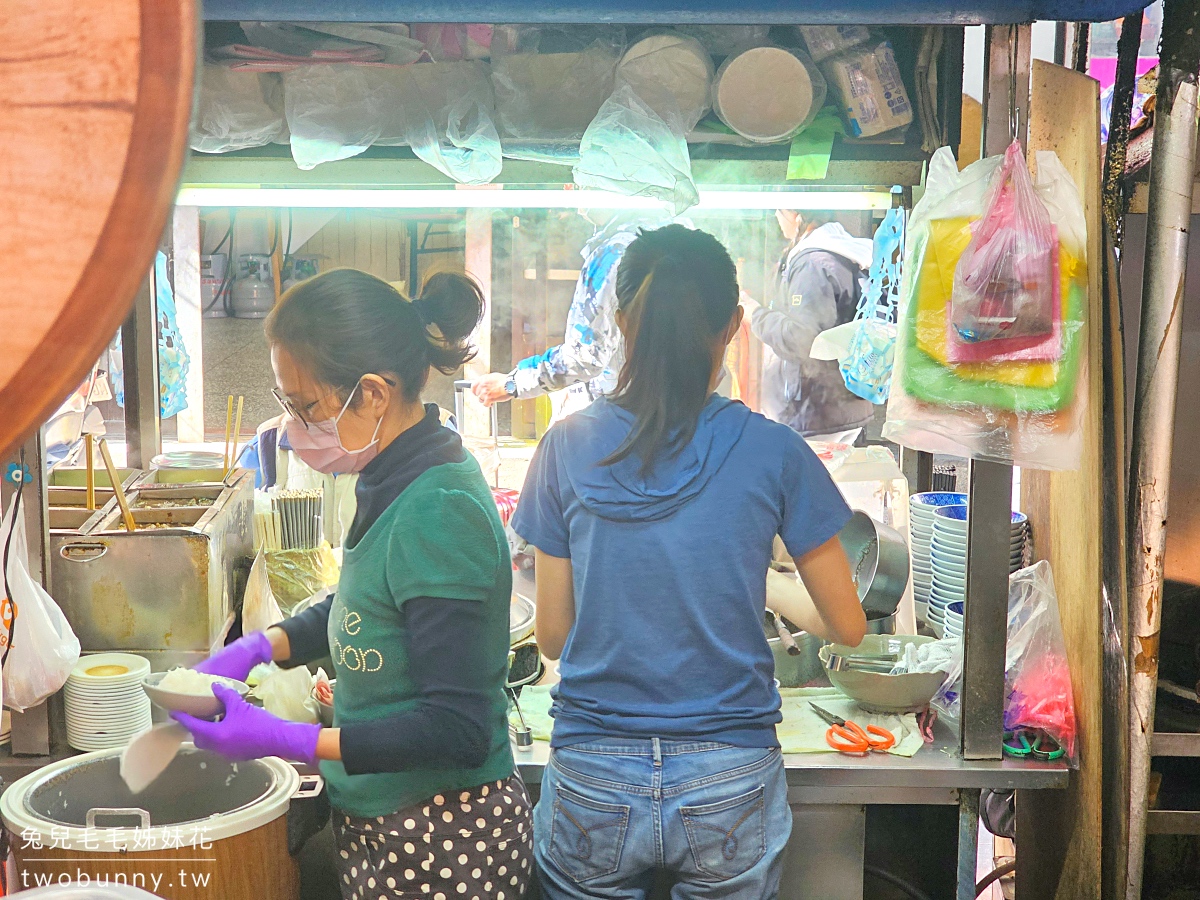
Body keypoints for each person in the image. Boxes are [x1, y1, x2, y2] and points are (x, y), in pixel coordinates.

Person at [511, 225, 867, 900]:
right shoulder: (775, 452)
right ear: (733, 326)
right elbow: (846, 625)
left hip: (593, 771)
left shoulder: (564, 447)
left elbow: (554, 636)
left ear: (620, 322)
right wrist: (752, 576)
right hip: (729, 774)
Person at [174, 268, 533, 900]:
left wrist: (294, 739)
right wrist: (265, 645)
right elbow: (371, 600)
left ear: (371, 394)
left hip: (444, 837)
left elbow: (457, 726)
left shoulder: (441, 507)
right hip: (386, 824)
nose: (293, 426)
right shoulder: (392, 472)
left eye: (306, 405)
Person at [471, 211, 658, 423]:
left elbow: (585, 357)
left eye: (582, 183)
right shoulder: (678, 238)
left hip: (628, 420)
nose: (576, 195)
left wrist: (512, 384)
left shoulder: (614, 253)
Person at [741, 210, 875, 444]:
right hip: (841, 404)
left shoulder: (812, 264)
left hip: (813, 410)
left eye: (780, 210)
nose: (776, 215)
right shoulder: (841, 253)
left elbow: (802, 338)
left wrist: (754, 313)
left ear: (796, 214)